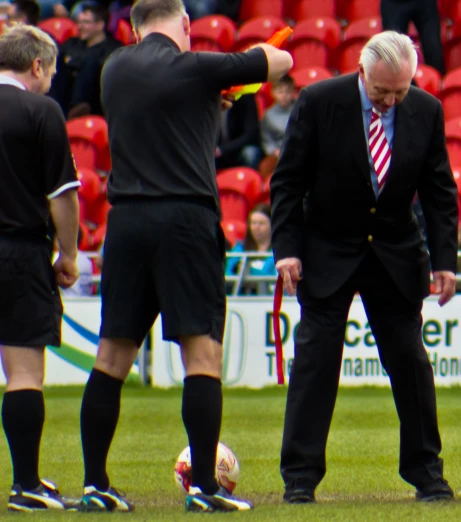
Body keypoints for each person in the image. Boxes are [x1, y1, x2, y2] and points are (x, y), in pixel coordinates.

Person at [76, 0, 292, 513]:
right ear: (187, 24)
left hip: (125, 221)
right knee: (201, 356)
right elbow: (278, 63)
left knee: (110, 356)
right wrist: (226, 85)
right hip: (184, 220)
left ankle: (94, 484)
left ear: (132, 26)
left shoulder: (114, 68)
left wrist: (207, 97)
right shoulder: (197, 65)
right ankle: (205, 489)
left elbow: (161, 111)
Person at [270, 31, 458, 504]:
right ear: (361, 73)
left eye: (400, 91)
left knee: (411, 363)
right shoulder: (318, 101)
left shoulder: (427, 109)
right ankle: (300, 478)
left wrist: (445, 261)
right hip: (327, 250)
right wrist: (286, 249)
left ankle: (427, 474)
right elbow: (288, 180)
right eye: (381, 92)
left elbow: (439, 192)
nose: (391, 101)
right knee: (315, 363)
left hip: (395, 252)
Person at [0, 24, 81, 511]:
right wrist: (68, 253)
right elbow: (63, 194)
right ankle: (26, 483)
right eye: (50, 71)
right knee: (24, 372)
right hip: (19, 250)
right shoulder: (40, 109)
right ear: (37, 65)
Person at [48, 3, 121, 119]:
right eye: (79, 22)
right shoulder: (72, 43)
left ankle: (76, 110)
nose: (80, 26)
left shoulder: (113, 48)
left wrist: (73, 64)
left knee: (90, 62)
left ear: (100, 25)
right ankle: (52, 108)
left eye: (86, 22)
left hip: (94, 99)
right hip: (65, 94)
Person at [259, 74, 295, 177]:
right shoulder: (268, 115)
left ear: (293, 93)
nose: (284, 96)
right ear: (273, 93)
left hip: (296, 151)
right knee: (266, 166)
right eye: (280, 92)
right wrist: (274, 151)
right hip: (277, 154)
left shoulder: (299, 110)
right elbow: (267, 139)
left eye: (287, 92)